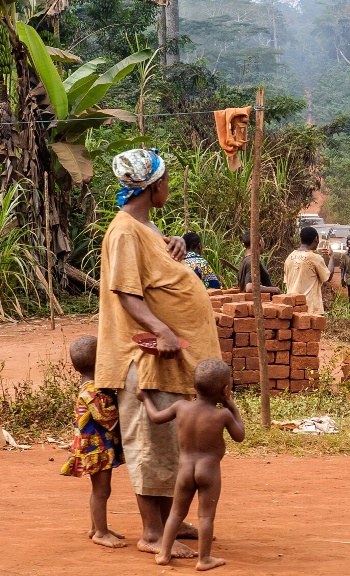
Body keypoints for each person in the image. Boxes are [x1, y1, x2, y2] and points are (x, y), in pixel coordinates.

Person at [95, 148, 220, 559]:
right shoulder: (125, 231)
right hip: (146, 358)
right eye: (166, 181)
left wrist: (178, 243)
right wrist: (163, 330)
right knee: (149, 445)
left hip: (170, 362)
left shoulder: (142, 228)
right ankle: (151, 532)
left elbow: (154, 271)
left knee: (169, 444)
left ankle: (171, 521)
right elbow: (127, 293)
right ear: (154, 186)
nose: (167, 187)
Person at [137, 359, 245, 572]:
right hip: (209, 471)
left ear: (194, 386)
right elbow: (239, 435)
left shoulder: (181, 407)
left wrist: (145, 398)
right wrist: (232, 406)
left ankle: (164, 553)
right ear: (225, 390)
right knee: (205, 516)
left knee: (176, 512)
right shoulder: (222, 415)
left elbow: (157, 417)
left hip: (185, 470)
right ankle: (204, 559)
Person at [60, 335, 126, 549]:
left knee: (99, 489)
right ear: (100, 361)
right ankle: (101, 532)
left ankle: (96, 527)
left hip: (97, 446)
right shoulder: (93, 392)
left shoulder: (91, 387)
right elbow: (108, 419)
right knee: (102, 490)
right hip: (95, 448)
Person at [283, 226, 336, 315]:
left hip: (292, 306)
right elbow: (328, 277)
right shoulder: (315, 258)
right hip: (310, 308)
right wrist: (332, 257)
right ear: (316, 239)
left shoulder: (290, 257)